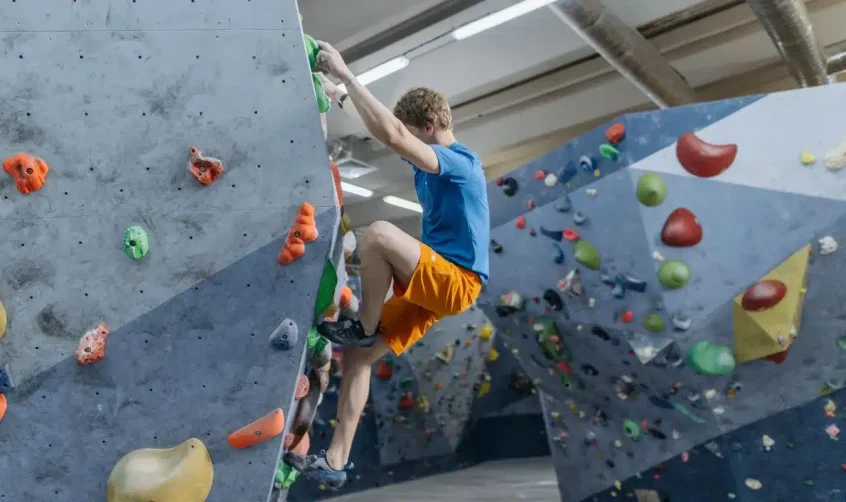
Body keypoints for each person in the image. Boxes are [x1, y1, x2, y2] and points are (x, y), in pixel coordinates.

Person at [284, 40, 490, 490]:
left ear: (431, 126)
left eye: (414, 134)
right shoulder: (431, 163)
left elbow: (392, 133)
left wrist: (345, 74)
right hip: (432, 284)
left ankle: (366, 323)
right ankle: (336, 462)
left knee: (378, 234)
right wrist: (337, 97)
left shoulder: (459, 165)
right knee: (358, 359)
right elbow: (388, 130)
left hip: (457, 281)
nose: (405, 147)